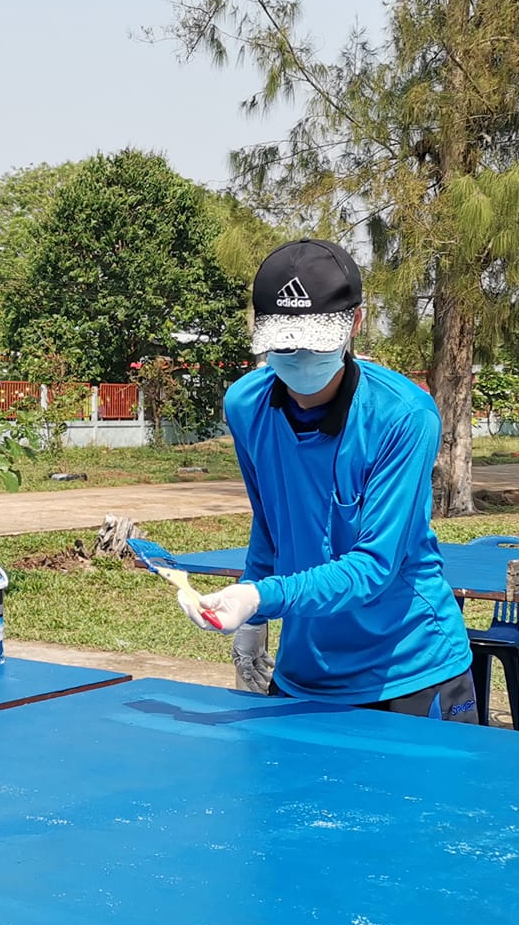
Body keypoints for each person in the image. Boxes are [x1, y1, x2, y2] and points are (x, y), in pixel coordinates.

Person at [185, 239, 477, 721]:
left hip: (408, 667)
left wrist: (260, 596)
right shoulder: (245, 406)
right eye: (284, 343)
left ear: (355, 323)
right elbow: (271, 526)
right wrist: (254, 620)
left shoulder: (403, 416)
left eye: (315, 342)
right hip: (304, 669)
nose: (300, 356)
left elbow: (373, 567)